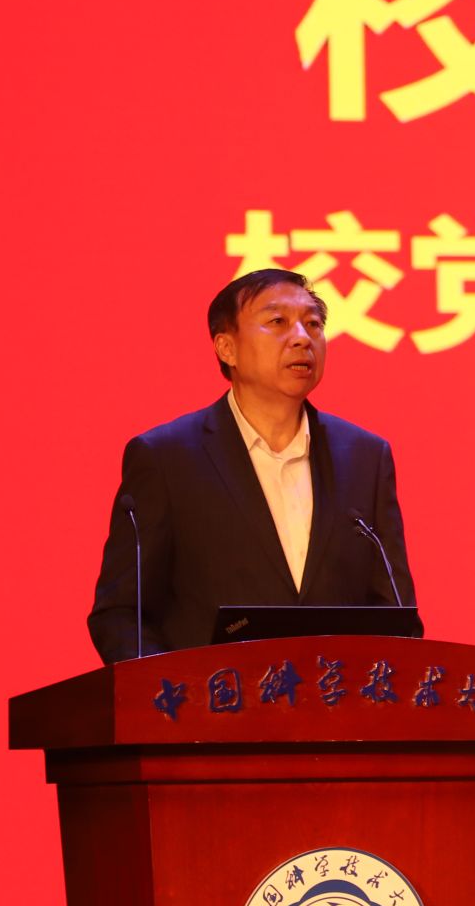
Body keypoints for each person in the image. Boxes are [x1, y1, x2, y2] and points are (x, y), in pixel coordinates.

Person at [87, 268, 416, 661]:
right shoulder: (166, 458)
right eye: (277, 322)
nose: (302, 337)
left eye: (313, 324)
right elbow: (122, 612)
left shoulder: (364, 457)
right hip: (211, 696)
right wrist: (169, 692)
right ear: (227, 348)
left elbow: (395, 613)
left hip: (333, 696)